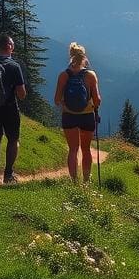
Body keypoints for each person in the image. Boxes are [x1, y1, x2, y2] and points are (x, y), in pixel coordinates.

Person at [54, 42, 101, 184]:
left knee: (73, 149)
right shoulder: (90, 75)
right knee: (86, 149)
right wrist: (93, 106)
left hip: (69, 116)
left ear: (71, 56)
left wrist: (65, 104)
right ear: (84, 57)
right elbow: (97, 99)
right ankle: (86, 181)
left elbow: (56, 99)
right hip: (87, 116)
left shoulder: (64, 75)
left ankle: (74, 182)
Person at [0, 35, 27, 184]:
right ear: (9, 46)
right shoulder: (14, 66)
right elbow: (21, 94)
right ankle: (8, 174)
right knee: (13, 139)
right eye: (13, 45)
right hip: (9, 107)